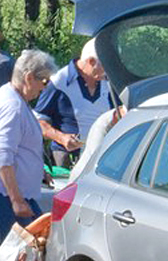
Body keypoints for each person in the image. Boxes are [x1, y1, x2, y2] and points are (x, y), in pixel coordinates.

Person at [0, 50, 59, 236]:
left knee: (36, 239)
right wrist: (17, 200)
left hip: (11, 190)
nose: (45, 88)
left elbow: (21, 144)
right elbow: (3, 155)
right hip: (6, 192)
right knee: (25, 245)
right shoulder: (12, 106)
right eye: (44, 81)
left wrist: (39, 171)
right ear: (29, 77)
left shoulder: (12, 96)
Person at [34, 38, 114, 167]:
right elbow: (38, 120)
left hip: (101, 155)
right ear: (91, 62)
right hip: (67, 157)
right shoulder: (59, 81)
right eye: (104, 65)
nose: (107, 70)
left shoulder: (108, 81)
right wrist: (61, 138)